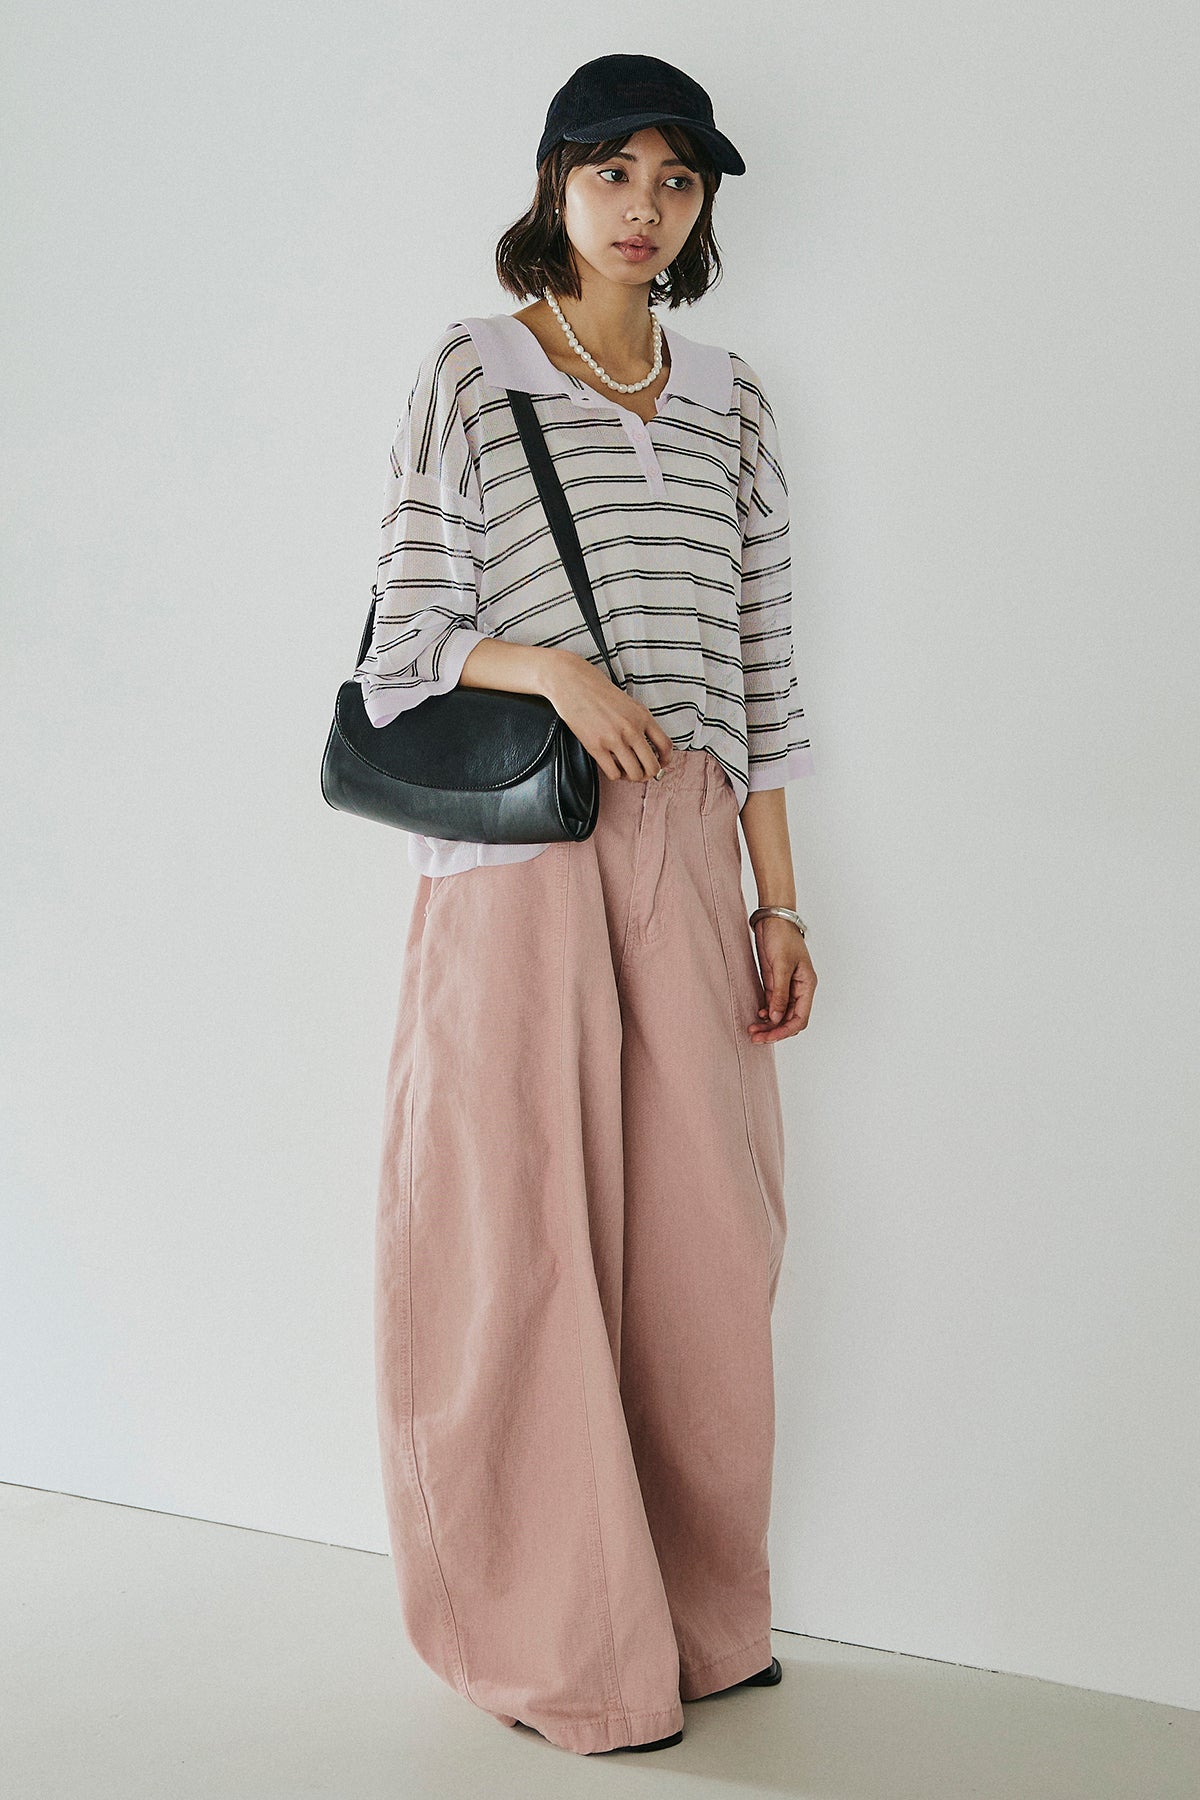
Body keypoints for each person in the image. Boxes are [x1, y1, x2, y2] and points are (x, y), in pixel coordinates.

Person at [356, 53, 819, 1757]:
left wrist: (780, 901)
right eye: (613, 173)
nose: (644, 208)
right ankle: (562, 1643)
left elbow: (764, 662)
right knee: (524, 1237)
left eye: (677, 180)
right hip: (523, 851)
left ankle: (698, 1622)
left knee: (708, 1244)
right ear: (553, 184)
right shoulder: (472, 373)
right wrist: (554, 668)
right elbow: (400, 646)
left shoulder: (734, 399)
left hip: (688, 840)